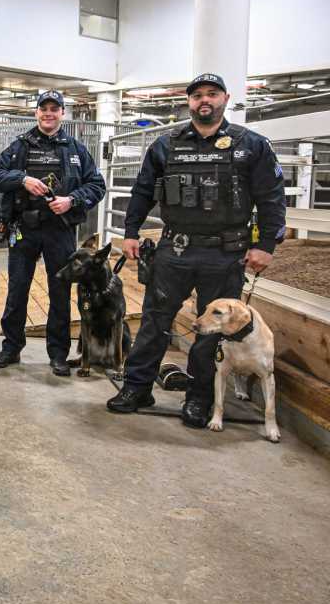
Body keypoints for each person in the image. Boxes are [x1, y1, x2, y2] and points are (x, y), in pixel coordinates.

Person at [107, 73, 286, 428]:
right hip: (175, 249)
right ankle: (137, 388)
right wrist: (130, 232)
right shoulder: (165, 145)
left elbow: (271, 198)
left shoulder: (252, 145)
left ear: (225, 99)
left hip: (225, 253)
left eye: (212, 94)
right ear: (188, 102)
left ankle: (200, 398)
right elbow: (142, 191)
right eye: (197, 95)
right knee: (154, 321)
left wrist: (266, 245)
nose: (205, 100)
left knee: (211, 331)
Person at [0, 90, 106, 377]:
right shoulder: (19, 146)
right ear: (36, 112)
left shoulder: (76, 149)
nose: (49, 113)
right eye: (44, 108)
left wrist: (71, 200)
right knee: (17, 289)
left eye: (55, 109)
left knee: (60, 291)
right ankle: (11, 347)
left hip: (60, 230)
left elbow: (97, 186)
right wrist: (22, 179)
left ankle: (58, 354)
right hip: (23, 229)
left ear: (62, 113)